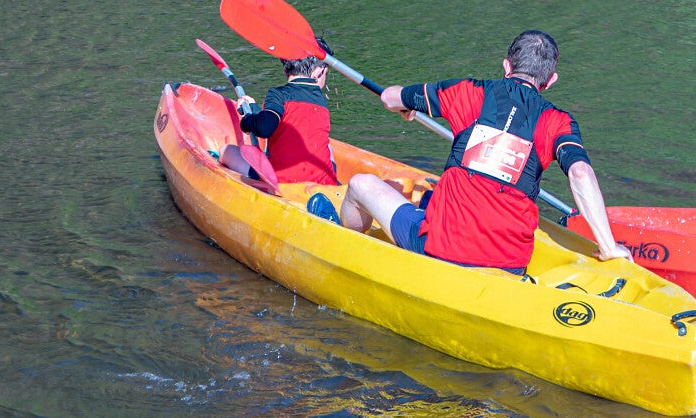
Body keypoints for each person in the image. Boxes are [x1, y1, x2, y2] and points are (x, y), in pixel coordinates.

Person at [337, 30, 631, 271]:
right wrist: (608, 247)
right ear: (550, 80)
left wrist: (406, 107)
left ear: (506, 66)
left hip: (441, 248)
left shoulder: (468, 92)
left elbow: (389, 98)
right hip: (511, 263)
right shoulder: (558, 121)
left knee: (361, 184)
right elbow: (580, 173)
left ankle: (344, 246)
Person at [235, 54, 339, 187]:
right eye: (326, 74)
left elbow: (265, 128)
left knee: (226, 151)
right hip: (323, 183)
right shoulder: (320, 101)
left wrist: (246, 121)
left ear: (285, 70)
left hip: (283, 182)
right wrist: (254, 109)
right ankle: (333, 180)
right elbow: (287, 121)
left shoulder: (279, 94)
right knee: (329, 147)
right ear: (318, 72)